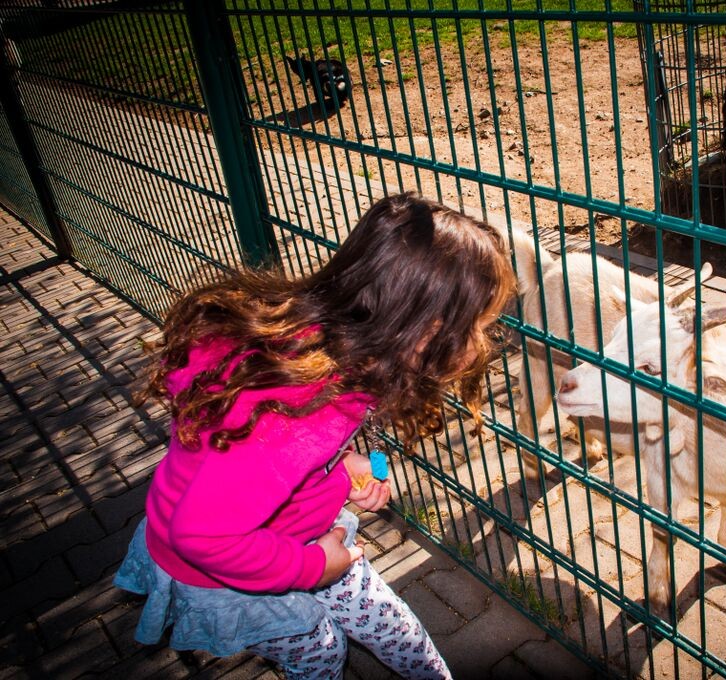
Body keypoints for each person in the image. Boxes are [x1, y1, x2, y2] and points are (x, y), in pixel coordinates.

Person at [114, 192, 516, 678]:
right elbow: (203, 535)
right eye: (472, 327)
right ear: (418, 326)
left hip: (304, 532)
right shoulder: (293, 416)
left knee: (391, 626)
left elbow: (292, 458)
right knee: (320, 650)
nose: (478, 344)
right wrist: (312, 567)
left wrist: (344, 468)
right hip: (227, 569)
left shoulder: (331, 348)